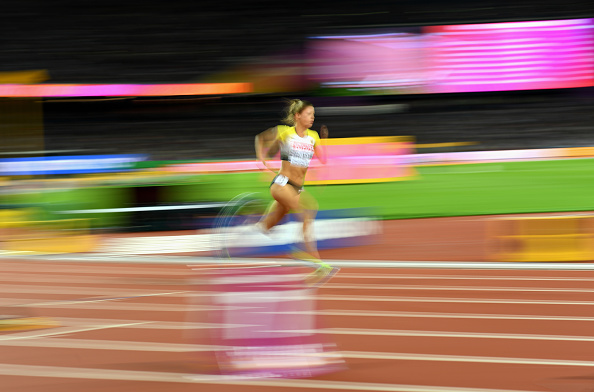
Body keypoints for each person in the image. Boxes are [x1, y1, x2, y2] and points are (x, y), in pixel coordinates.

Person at [254, 99, 338, 285]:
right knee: (308, 210)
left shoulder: (313, 136)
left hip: (297, 188)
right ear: (297, 116)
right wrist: (262, 163)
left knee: (268, 225)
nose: (312, 117)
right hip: (282, 183)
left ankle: (259, 222)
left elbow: (323, 160)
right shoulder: (284, 132)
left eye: (313, 114)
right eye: (309, 114)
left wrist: (324, 140)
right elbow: (260, 139)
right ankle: (316, 264)